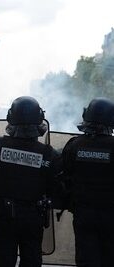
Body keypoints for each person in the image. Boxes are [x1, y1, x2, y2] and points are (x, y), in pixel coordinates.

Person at [0, 96, 61, 267]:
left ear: (11, 118)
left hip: (5, 216)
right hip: (34, 217)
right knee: (32, 259)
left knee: (3, 259)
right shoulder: (48, 154)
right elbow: (55, 188)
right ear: (39, 119)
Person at [61, 97, 114, 267]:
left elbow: (64, 176)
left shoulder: (74, 146)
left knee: (86, 260)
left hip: (83, 213)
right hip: (110, 214)